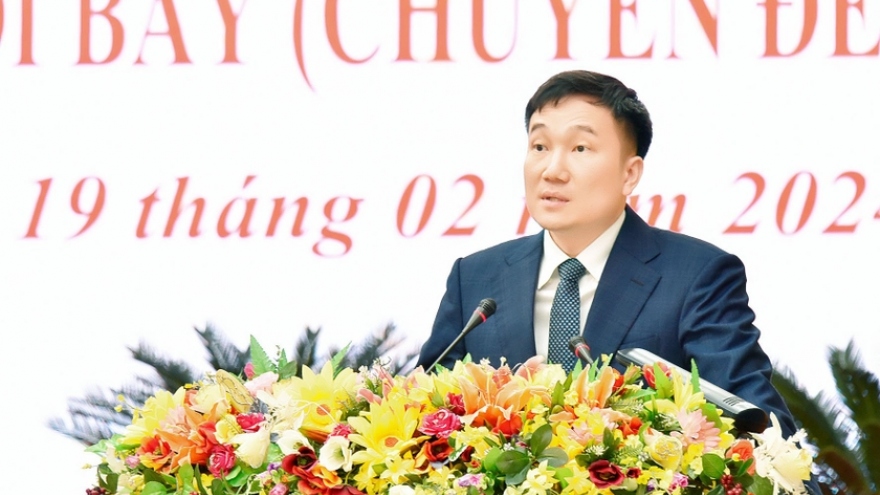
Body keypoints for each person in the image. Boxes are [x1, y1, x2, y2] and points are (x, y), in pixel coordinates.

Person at [415, 69, 800, 440]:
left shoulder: (696, 277)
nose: (552, 170)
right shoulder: (476, 279)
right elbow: (421, 414)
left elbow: (766, 433)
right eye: (540, 146)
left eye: (580, 148)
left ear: (629, 174)